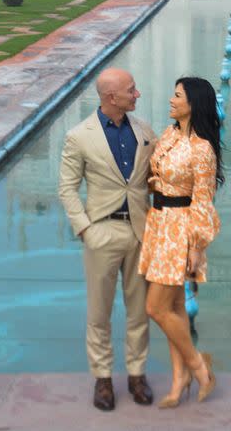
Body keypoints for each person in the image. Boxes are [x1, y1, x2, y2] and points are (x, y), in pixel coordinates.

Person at [58, 69, 157, 413]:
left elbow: (156, 177)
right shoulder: (79, 136)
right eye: (131, 90)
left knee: (139, 310)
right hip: (102, 232)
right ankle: (102, 378)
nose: (138, 94)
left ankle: (136, 374)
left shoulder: (143, 130)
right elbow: (67, 188)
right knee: (99, 312)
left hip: (140, 231)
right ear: (111, 97)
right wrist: (85, 228)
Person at [140, 77, 223, 408]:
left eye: (177, 96)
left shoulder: (202, 149)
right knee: (172, 308)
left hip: (181, 228)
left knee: (155, 307)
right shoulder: (170, 134)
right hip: (158, 222)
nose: (171, 100)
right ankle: (179, 381)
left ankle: (199, 366)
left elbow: (203, 200)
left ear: (194, 103)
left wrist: (197, 246)